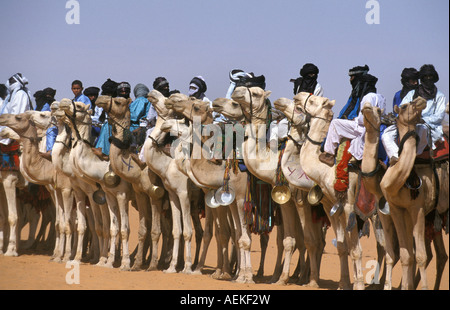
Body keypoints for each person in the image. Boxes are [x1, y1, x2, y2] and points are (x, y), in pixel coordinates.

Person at [382, 64, 447, 165]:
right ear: (422, 79)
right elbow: (403, 107)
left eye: (430, 77)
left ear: (434, 79)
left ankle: (413, 155)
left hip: (427, 125)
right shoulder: (412, 93)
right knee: (386, 134)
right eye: (425, 77)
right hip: (407, 123)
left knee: (421, 129)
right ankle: (396, 156)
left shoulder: (439, 96)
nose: (428, 80)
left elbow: (439, 116)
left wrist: (423, 120)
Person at [319, 74, 385, 166]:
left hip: (363, 128)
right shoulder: (381, 97)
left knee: (335, 123)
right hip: (375, 128)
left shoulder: (367, 97)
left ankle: (329, 154)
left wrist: (355, 119)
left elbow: (363, 119)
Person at [93, 81, 131, 160]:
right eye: (122, 91)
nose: (123, 93)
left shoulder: (128, 103)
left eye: (125, 91)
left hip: (128, 125)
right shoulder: (113, 103)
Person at [0, 73, 33, 145]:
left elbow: (17, 114)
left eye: (12, 82)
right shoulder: (12, 96)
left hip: (16, 127)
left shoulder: (20, 94)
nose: (10, 83)